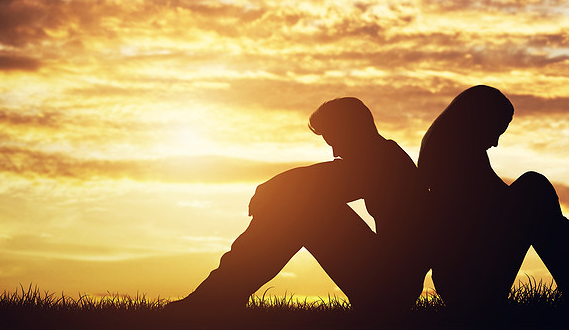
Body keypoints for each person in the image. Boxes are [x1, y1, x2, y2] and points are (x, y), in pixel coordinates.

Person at [168, 97, 429, 318]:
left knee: (302, 210)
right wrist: (276, 191)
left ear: (353, 130)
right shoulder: (384, 156)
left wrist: (271, 190)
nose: (335, 151)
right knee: (300, 206)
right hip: (390, 285)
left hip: (390, 291)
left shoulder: (382, 161)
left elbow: (321, 181)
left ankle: (218, 297)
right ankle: (220, 295)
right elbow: (323, 179)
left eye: (336, 140)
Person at [418, 85, 569, 313]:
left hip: (464, 278)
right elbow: (494, 207)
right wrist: (559, 227)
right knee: (534, 184)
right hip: (468, 282)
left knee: (534, 189)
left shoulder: (455, 144)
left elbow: (501, 199)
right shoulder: (453, 152)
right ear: (481, 119)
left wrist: (557, 225)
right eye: (497, 131)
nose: (495, 143)